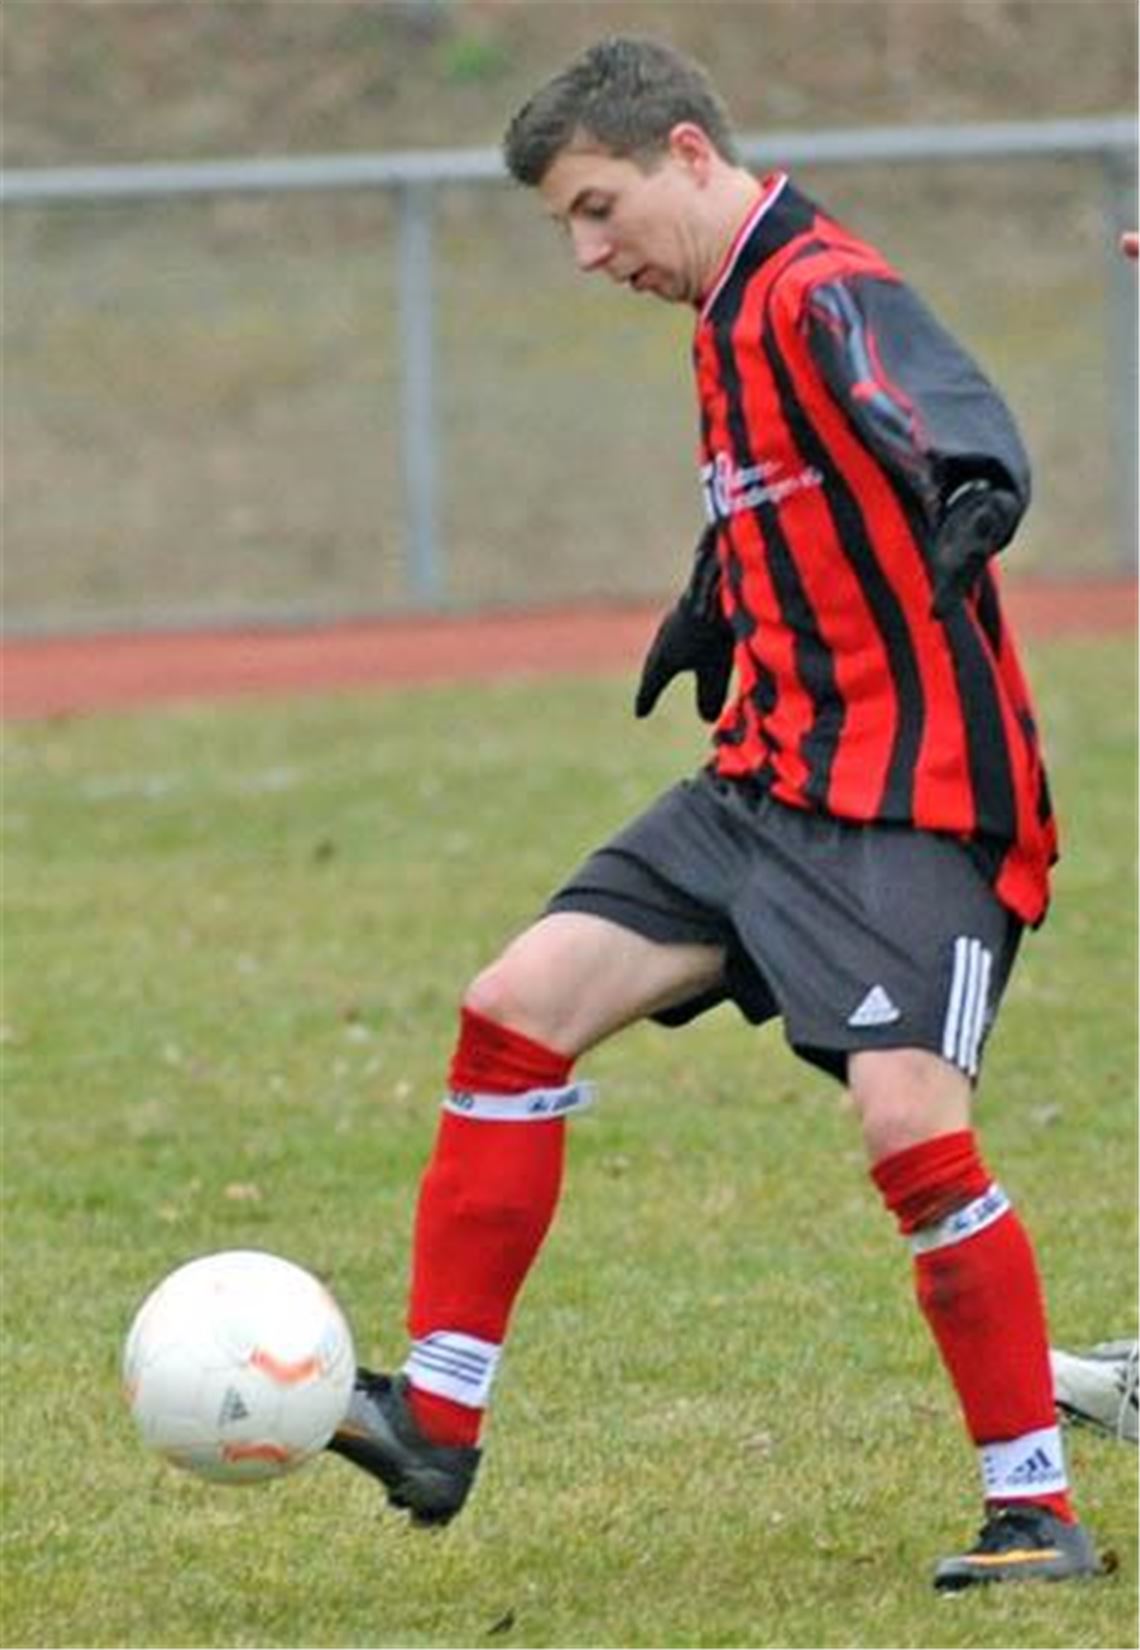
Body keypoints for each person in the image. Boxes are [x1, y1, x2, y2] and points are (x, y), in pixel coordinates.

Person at [327, 36, 1106, 1589]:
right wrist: (712, 604)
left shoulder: (816, 281)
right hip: (761, 782)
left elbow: (928, 397)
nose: (589, 251)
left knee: (907, 1121)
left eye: (600, 208)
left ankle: (1038, 1509)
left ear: (690, 153)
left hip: (915, 800)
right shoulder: (723, 314)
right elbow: (784, 489)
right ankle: (437, 1414)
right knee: (513, 1010)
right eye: (567, 225)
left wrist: (971, 484)